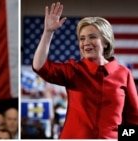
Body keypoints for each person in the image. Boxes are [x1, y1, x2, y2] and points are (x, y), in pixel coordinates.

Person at [32, 2, 138, 139]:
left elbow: (133, 119)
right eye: (82, 38)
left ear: (106, 42)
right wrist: (48, 32)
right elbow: (40, 66)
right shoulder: (73, 70)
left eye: (92, 37)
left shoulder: (123, 74)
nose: (86, 42)